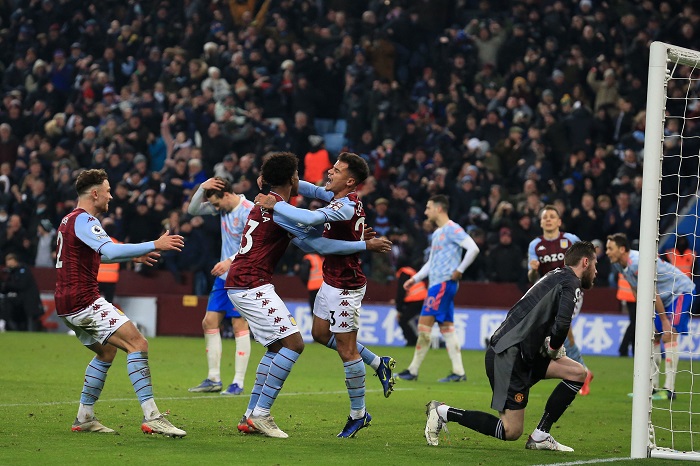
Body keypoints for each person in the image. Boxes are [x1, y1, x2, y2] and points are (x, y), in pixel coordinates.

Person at [225, 152, 392, 439]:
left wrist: (272, 194)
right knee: (304, 341)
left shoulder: (342, 205)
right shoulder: (303, 206)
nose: (329, 172)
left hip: (344, 284)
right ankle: (261, 415)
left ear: (349, 180)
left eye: (336, 170)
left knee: (325, 344)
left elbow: (313, 219)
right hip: (261, 282)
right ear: (291, 179)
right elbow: (314, 232)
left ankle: (359, 410)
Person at [425, 241, 597, 452]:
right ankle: (443, 412)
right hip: (510, 355)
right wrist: (553, 347)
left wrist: (546, 341)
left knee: (577, 373)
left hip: (523, 352)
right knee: (511, 431)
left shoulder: (555, 276)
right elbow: (562, 324)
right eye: (595, 265)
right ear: (586, 262)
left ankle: (541, 435)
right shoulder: (571, 282)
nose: (596, 272)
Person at [55, 168, 187, 437]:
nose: (111, 196)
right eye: (108, 191)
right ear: (95, 193)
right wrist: (155, 244)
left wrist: (133, 257)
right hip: (84, 300)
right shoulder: (86, 220)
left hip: (66, 303)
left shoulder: (69, 220)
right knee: (137, 343)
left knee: (107, 352)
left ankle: (85, 416)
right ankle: (152, 416)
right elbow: (111, 250)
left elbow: (96, 256)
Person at [396, 194, 480, 383]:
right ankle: (459, 373)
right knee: (447, 327)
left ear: (438, 209)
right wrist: (415, 279)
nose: (425, 211)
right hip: (439, 284)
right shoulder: (437, 233)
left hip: (443, 284)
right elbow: (431, 263)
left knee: (424, 326)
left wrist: (459, 270)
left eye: (428, 207)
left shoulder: (453, 229)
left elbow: (473, 248)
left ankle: (413, 370)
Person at [606, 233, 696, 400]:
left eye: (610, 248)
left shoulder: (638, 263)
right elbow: (637, 290)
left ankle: (669, 390)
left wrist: (663, 320)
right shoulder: (620, 265)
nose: (606, 252)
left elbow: (652, 291)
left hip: (680, 291)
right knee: (653, 336)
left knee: (669, 334)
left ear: (622, 249)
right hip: (663, 297)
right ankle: (652, 387)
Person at [187, 176, 254, 396]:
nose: (214, 208)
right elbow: (193, 210)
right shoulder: (223, 208)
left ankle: (238, 382)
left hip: (242, 275)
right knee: (209, 322)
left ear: (226, 194)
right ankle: (214, 378)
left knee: (238, 325)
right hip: (224, 277)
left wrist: (229, 261)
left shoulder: (248, 211)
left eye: (216, 203)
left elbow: (252, 247)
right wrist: (201, 188)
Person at [528, 205, 594, 395]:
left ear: (559, 221)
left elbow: (587, 260)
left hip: (572, 290)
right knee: (562, 331)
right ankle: (582, 371)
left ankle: (580, 371)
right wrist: (533, 269)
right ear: (541, 222)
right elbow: (532, 278)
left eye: (552, 216)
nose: (548, 219)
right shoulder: (535, 245)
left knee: (562, 326)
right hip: (548, 294)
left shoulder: (570, 240)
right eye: (545, 217)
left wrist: (585, 281)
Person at [1, 253, 43, 331]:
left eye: (10, 261)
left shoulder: (24, 270)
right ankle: (8, 327)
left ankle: (30, 331)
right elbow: (4, 289)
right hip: (20, 301)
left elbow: (21, 285)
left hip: (29, 301)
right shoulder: (10, 272)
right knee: (6, 305)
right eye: (7, 262)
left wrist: (7, 285)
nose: (9, 264)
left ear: (15, 261)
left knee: (30, 319)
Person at [394, 261, 427, 346]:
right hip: (423, 299)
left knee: (403, 320)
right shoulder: (411, 271)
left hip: (416, 300)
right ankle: (415, 340)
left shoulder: (404, 272)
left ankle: (412, 341)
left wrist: (399, 309)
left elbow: (401, 291)